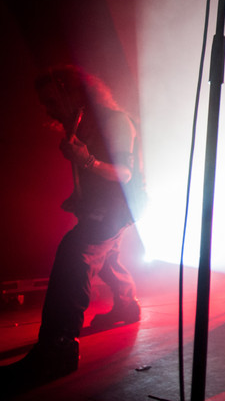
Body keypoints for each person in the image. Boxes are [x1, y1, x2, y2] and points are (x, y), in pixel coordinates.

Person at [0, 65, 144, 390]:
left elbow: (125, 173)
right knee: (106, 258)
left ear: (74, 91)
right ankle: (127, 304)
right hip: (98, 205)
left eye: (51, 100)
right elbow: (87, 175)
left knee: (75, 253)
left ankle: (59, 348)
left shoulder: (114, 120)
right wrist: (77, 196)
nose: (47, 109)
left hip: (119, 206)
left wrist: (86, 160)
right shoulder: (79, 123)